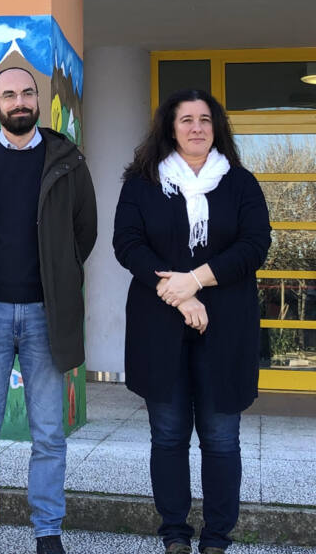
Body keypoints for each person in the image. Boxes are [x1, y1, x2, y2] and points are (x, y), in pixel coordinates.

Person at [112, 88, 271, 554]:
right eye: (186, 119)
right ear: (170, 127)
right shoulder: (141, 184)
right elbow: (128, 245)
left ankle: (217, 536)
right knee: (168, 436)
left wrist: (196, 281)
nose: (197, 127)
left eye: (205, 119)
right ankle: (175, 533)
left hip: (227, 326)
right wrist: (180, 298)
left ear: (216, 127)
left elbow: (254, 245)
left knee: (221, 438)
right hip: (158, 325)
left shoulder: (240, 183)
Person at [0, 67, 97, 554]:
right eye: (8, 94)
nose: (19, 101)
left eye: (27, 93)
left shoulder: (68, 161)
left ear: (38, 100)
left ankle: (48, 531)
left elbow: (84, 233)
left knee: (51, 433)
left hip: (44, 313)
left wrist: (57, 275)